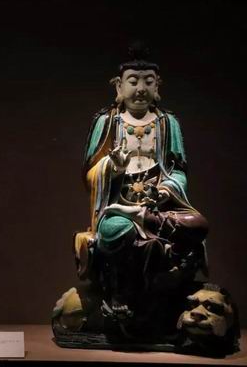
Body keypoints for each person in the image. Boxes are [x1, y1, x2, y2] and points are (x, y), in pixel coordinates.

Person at [74, 45, 208, 318]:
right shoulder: (107, 122)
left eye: (148, 81)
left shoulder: (167, 123)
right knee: (117, 231)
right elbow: (89, 175)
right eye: (133, 81)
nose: (140, 89)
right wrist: (113, 167)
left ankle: (164, 289)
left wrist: (166, 188)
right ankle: (119, 292)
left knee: (198, 224)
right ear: (119, 87)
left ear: (157, 86)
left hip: (158, 208)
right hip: (117, 208)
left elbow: (179, 171)